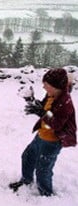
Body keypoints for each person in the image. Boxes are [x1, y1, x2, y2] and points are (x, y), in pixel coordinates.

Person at [9, 68, 77, 196]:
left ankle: (46, 194)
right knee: (27, 157)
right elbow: (44, 107)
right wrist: (31, 100)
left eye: (46, 84)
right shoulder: (51, 95)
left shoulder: (65, 103)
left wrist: (42, 113)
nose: (44, 87)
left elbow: (56, 122)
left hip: (52, 141)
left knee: (43, 170)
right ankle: (26, 181)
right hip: (41, 135)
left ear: (56, 86)